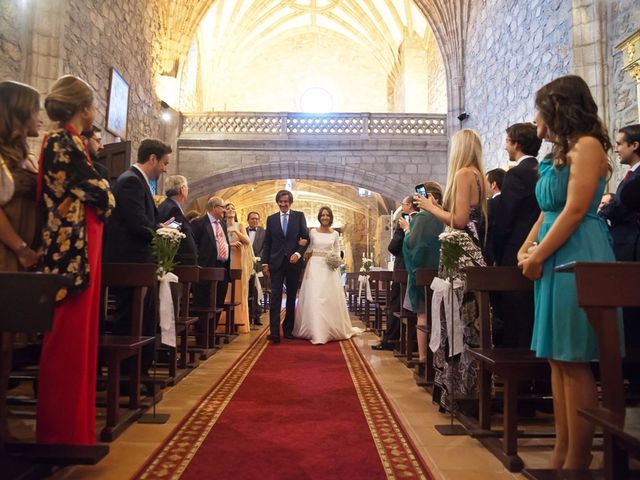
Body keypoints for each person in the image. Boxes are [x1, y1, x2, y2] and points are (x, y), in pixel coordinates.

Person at [518, 75, 623, 469]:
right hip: (551, 250)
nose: (536, 118)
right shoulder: (558, 153)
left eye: (541, 108)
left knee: (573, 357)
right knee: (556, 359)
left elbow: (576, 210)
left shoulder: (588, 145)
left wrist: (539, 255)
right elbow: (548, 210)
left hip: (576, 250)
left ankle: (577, 462)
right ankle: (561, 453)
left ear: (559, 107)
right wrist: (527, 247)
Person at [36, 75, 115, 444]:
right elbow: (97, 189)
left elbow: (97, 188)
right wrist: (96, 192)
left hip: (85, 242)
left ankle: (76, 429)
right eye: (94, 105)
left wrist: (96, 192)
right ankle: (61, 431)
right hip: (71, 249)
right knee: (67, 336)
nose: (96, 112)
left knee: (81, 338)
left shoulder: (74, 143)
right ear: (84, 108)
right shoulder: (60, 141)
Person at [414, 128, 487, 414]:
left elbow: (458, 220)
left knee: (456, 321)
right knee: (469, 322)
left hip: (459, 256)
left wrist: (430, 208)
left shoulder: (463, 174)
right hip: (473, 251)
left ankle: (457, 391)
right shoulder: (479, 176)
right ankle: (468, 387)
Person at [105, 138, 171, 377]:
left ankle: (136, 374)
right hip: (130, 264)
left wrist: (157, 226)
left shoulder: (135, 181)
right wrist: (161, 233)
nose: (164, 169)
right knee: (129, 320)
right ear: (152, 158)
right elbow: (136, 224)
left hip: (139, 264)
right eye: (164, 163)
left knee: (141, 318)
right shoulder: (131, 182)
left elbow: (142, 220)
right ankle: (125, 377)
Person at [0, 80, 42, 444]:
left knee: (10, 340)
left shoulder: (21, 155)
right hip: (7, 254)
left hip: (22, 254)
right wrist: (20, 247)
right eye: (34, 109)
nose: (39, 117)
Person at [294, 207, 363, 344]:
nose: (325, 217)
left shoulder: (335, 234)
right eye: (322, 215)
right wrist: (299, 245)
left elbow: (337, 251)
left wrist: (336, 262)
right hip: (314, 266)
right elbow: (308, 248)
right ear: (319, 217)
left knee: (328, 297)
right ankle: (315, 329)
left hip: (329, 268)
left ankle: (329, 328)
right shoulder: (312, 232)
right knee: (315, 296)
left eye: (327, 215)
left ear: (330, 217)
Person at [402, 182, 443, 363]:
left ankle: (424, 358)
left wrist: (406, 230)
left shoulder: (422, 217)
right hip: (441, 272)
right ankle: (440, 357)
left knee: (423, 315)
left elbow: (412, 244)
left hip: (423, 273)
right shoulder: (446, 216)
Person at [262, 190, 309, 343]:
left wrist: (298, 253)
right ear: (277, 202)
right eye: (280, 202)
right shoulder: (271, 219)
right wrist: (265, 263)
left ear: (290, 202)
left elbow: (305, 238)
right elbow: (267, 242)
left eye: (285, 202)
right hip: (275, 263)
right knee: (275, 297)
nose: (283, 204)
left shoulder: (299, 216)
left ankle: (288, 330)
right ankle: (274, 332)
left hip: (293, 264)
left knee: (290, 298)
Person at [372, 196, 416, 351]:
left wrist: (403, 229)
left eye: (403, 205)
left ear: (409, 206)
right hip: (421, 269)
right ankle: (414, 341)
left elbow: (393, 247)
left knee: (396, 303)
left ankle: (391, 339)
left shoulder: (406, 222)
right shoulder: (428, 218)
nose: (402, 207)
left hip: (404, 268)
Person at [191, 196, 230, 322]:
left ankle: (212, 330)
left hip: (221, 267)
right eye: (223, 207)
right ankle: (202, 334)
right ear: (214, 207)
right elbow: (194, 246)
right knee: (204, 302)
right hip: (206, 268)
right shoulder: (199, 223)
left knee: (219, 301)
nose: (225, 210)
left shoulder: (222, 224)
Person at [216, 203, 252, 334]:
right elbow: (217, 242)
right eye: (228, 208)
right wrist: (230, 244)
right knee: (225, 292)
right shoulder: (220, 225)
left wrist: (236, 231)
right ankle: (221, 323)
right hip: (224, 261)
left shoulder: (239, 225)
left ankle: (239, 322)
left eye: (233, 209)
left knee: (238, 292)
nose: (231, 210)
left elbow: (247, 241)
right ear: (224, 211)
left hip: (237, 260)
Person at [157, 175, 197, 266]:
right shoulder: (173, 209)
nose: (188, 190)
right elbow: (171, 234)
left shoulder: (167, 205)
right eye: (187, 187)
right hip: (179, 262)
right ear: (182, 189)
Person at [247, 211, 265, 326]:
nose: (254, 220)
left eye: (256, 219)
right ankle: (247, 315)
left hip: (258, 263)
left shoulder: (264, 232)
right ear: (248, 220)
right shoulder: (242, 230)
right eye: (252, 218)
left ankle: (257, 315)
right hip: (246, 263)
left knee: (257, 289)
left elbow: (266, 246)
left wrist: (259, 258)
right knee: (247, 290)